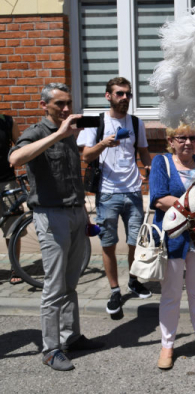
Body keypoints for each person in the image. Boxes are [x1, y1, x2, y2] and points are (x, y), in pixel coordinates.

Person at [9, 83, 104, 371]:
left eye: (68, 103)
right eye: (59, 104)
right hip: (51, 216)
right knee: (54, 286)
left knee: (71, 282)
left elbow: (72, 175)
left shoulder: (68, 133)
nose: (65, 109)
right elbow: (15, 159)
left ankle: (71, 337)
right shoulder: (38, 132)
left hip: (75, 213)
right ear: (44, 105)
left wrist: (84, 212)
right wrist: (59, 135)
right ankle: (51, 349)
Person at [77, 77, 152, 317]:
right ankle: (114, 290)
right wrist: (103, 143)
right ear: (108, 96)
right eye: (119, 94)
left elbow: (143, 153)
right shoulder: (95, 122)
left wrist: (149, 172)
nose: (125, 98)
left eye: (128, 94)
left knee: (135, 242)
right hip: (107, 193)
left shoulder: (136, 122)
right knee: (108, 244)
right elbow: (86, 156)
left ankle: (132, 280)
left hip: (132, 192)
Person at [149, 124, 195, 370]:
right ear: (171, 140)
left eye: (192, 137)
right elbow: (158, 197)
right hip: (173, 239)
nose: (187, 142)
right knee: (171, 294)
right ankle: (167, 345)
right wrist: (193, 206)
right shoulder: (162, 162)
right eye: (182, 138)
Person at [0, 113, 22, 284]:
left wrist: (14, 154)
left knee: (13, 228)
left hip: (6, 181)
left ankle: (16, 267)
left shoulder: (7, 121)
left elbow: (20, 144)